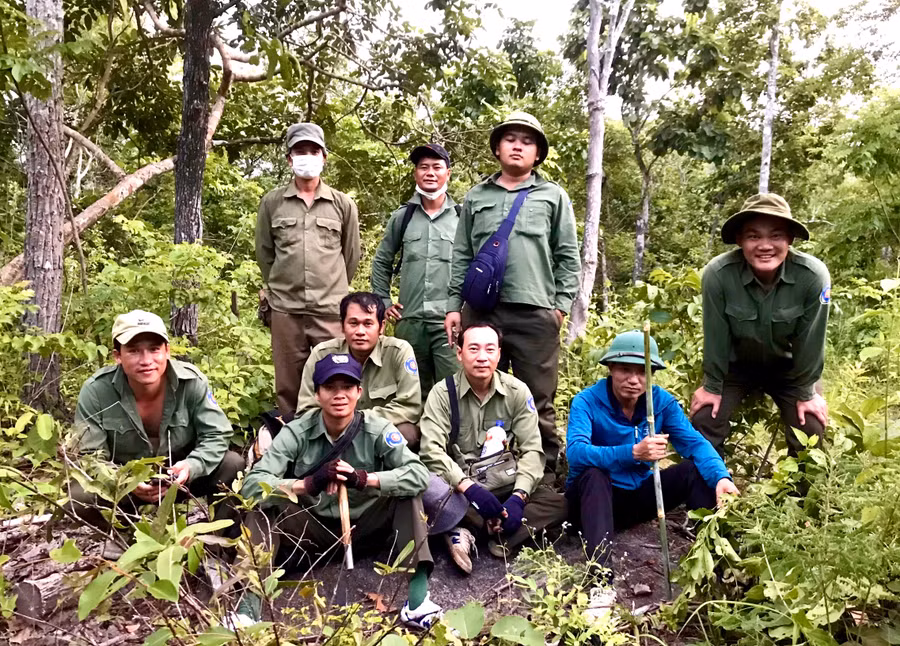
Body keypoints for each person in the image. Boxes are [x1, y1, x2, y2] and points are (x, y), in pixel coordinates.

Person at [235, 353, 440, 630]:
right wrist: (307, 483)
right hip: (312, 530)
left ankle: (416, 603)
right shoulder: (297, 432)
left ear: (359, 391)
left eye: (347, 387)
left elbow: (418, 474)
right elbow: (252, 484)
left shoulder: (377, 429)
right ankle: (248, 612)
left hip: (366, 528)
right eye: (330, 387)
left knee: (408, 493)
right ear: (317, 394)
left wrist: (364, 478)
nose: (339, 395)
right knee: (262, 506)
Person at [443, 111, 580, 473]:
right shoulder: (476, 196)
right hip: (481, 312)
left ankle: (543, 474)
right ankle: (480, 472)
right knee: (478, 391)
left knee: (537, 398)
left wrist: (560, 308)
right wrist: (454, 306)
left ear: (537, 153)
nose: (518, 146)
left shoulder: (553, 196)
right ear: (498, 148)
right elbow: (461, 254)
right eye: (510, 139)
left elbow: (568, 254)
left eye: (527, 141)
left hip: (535, 312)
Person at [565, 330, 738, 612]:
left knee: (695, 471)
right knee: (594, 474)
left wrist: (721, 477)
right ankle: (601, 584)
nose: (633, 380)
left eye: (642, 372)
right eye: (624, 370)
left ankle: (718, 564)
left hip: (636, 498)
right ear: (610, 369)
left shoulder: (661, 402)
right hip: (590, 504)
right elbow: (576, 452)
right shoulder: (586, 401)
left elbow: (695, 443)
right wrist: (632, 452)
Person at [68, 310, 242, 536]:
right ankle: (121, 536)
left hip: (181, 477)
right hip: (125, 484)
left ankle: (221, 542)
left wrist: (191, 466)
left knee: (232, 464)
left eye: (154, 349)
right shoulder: (97, 391)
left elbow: (217, 435)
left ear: (167, 351)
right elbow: (90, 457)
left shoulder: (191, 382)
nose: (146, 360)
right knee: (79, 495)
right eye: (133, 351)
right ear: (117, 356)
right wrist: (128, 481)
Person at [690, 193, 831, 456]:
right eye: (754, 236)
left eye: (776, 235)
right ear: (740, 240)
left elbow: (810, 342)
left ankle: (798, 495)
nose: (765, 245)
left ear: (789, 239)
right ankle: (707, 491)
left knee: (810, 426)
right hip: (735, 367)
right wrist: (711, 388)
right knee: (704, 419)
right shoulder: (718, 275)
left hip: (790, 369)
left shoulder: (812, 276)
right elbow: (716, 337)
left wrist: (807, 393)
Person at [420, 323, 567, 574]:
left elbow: (532, 450)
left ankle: (476, 530)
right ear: (459, 353)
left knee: (561, 502)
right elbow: (431, 451)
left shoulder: (516, 391)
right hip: (463, 490)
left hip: (506, 483)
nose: (481, 357)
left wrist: (519, 497)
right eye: (473, 348)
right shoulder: (443, 393)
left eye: (490, 349)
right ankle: (501, 531)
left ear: (499, 354)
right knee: (426, 489)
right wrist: (470, 488)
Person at [256, 122, 361, 416]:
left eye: (313, 150)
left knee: (335, 379)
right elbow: (265, 254)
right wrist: (281, 287)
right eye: (300, 151)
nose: (307, 156)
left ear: (324, 156)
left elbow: (350, 254)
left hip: (329, 310)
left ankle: (333, 444)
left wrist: (332, 289)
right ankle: (293, 443)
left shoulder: (342, 204)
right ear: (289, 158)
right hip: (286, 310)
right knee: (288, 384)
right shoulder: (272, 203)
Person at [371, 143, 461, 395]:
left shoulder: (462, 217)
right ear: (415, 174)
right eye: (423, 167)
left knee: (452, 390)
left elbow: (473, 267)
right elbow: (382, 261)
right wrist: (384, 300)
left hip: (449, 322)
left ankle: (452, 435)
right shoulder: (403, 217)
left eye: (436, 167)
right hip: (409, 321)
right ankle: (415, 435)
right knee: (410, 391)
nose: (430, 172)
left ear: (448, 173)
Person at [294, 292, 423, 448]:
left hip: (378, 432)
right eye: (353, 323)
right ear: (342, 326)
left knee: (407, 433)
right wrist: (339, 422)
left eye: (368, 324)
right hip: (333, 432)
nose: (360, 331)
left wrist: (358, 420)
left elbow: (409, 407)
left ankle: (385, 471)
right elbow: (305, 409)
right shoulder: (323, 354)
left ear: (381, 327)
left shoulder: (398, 351)